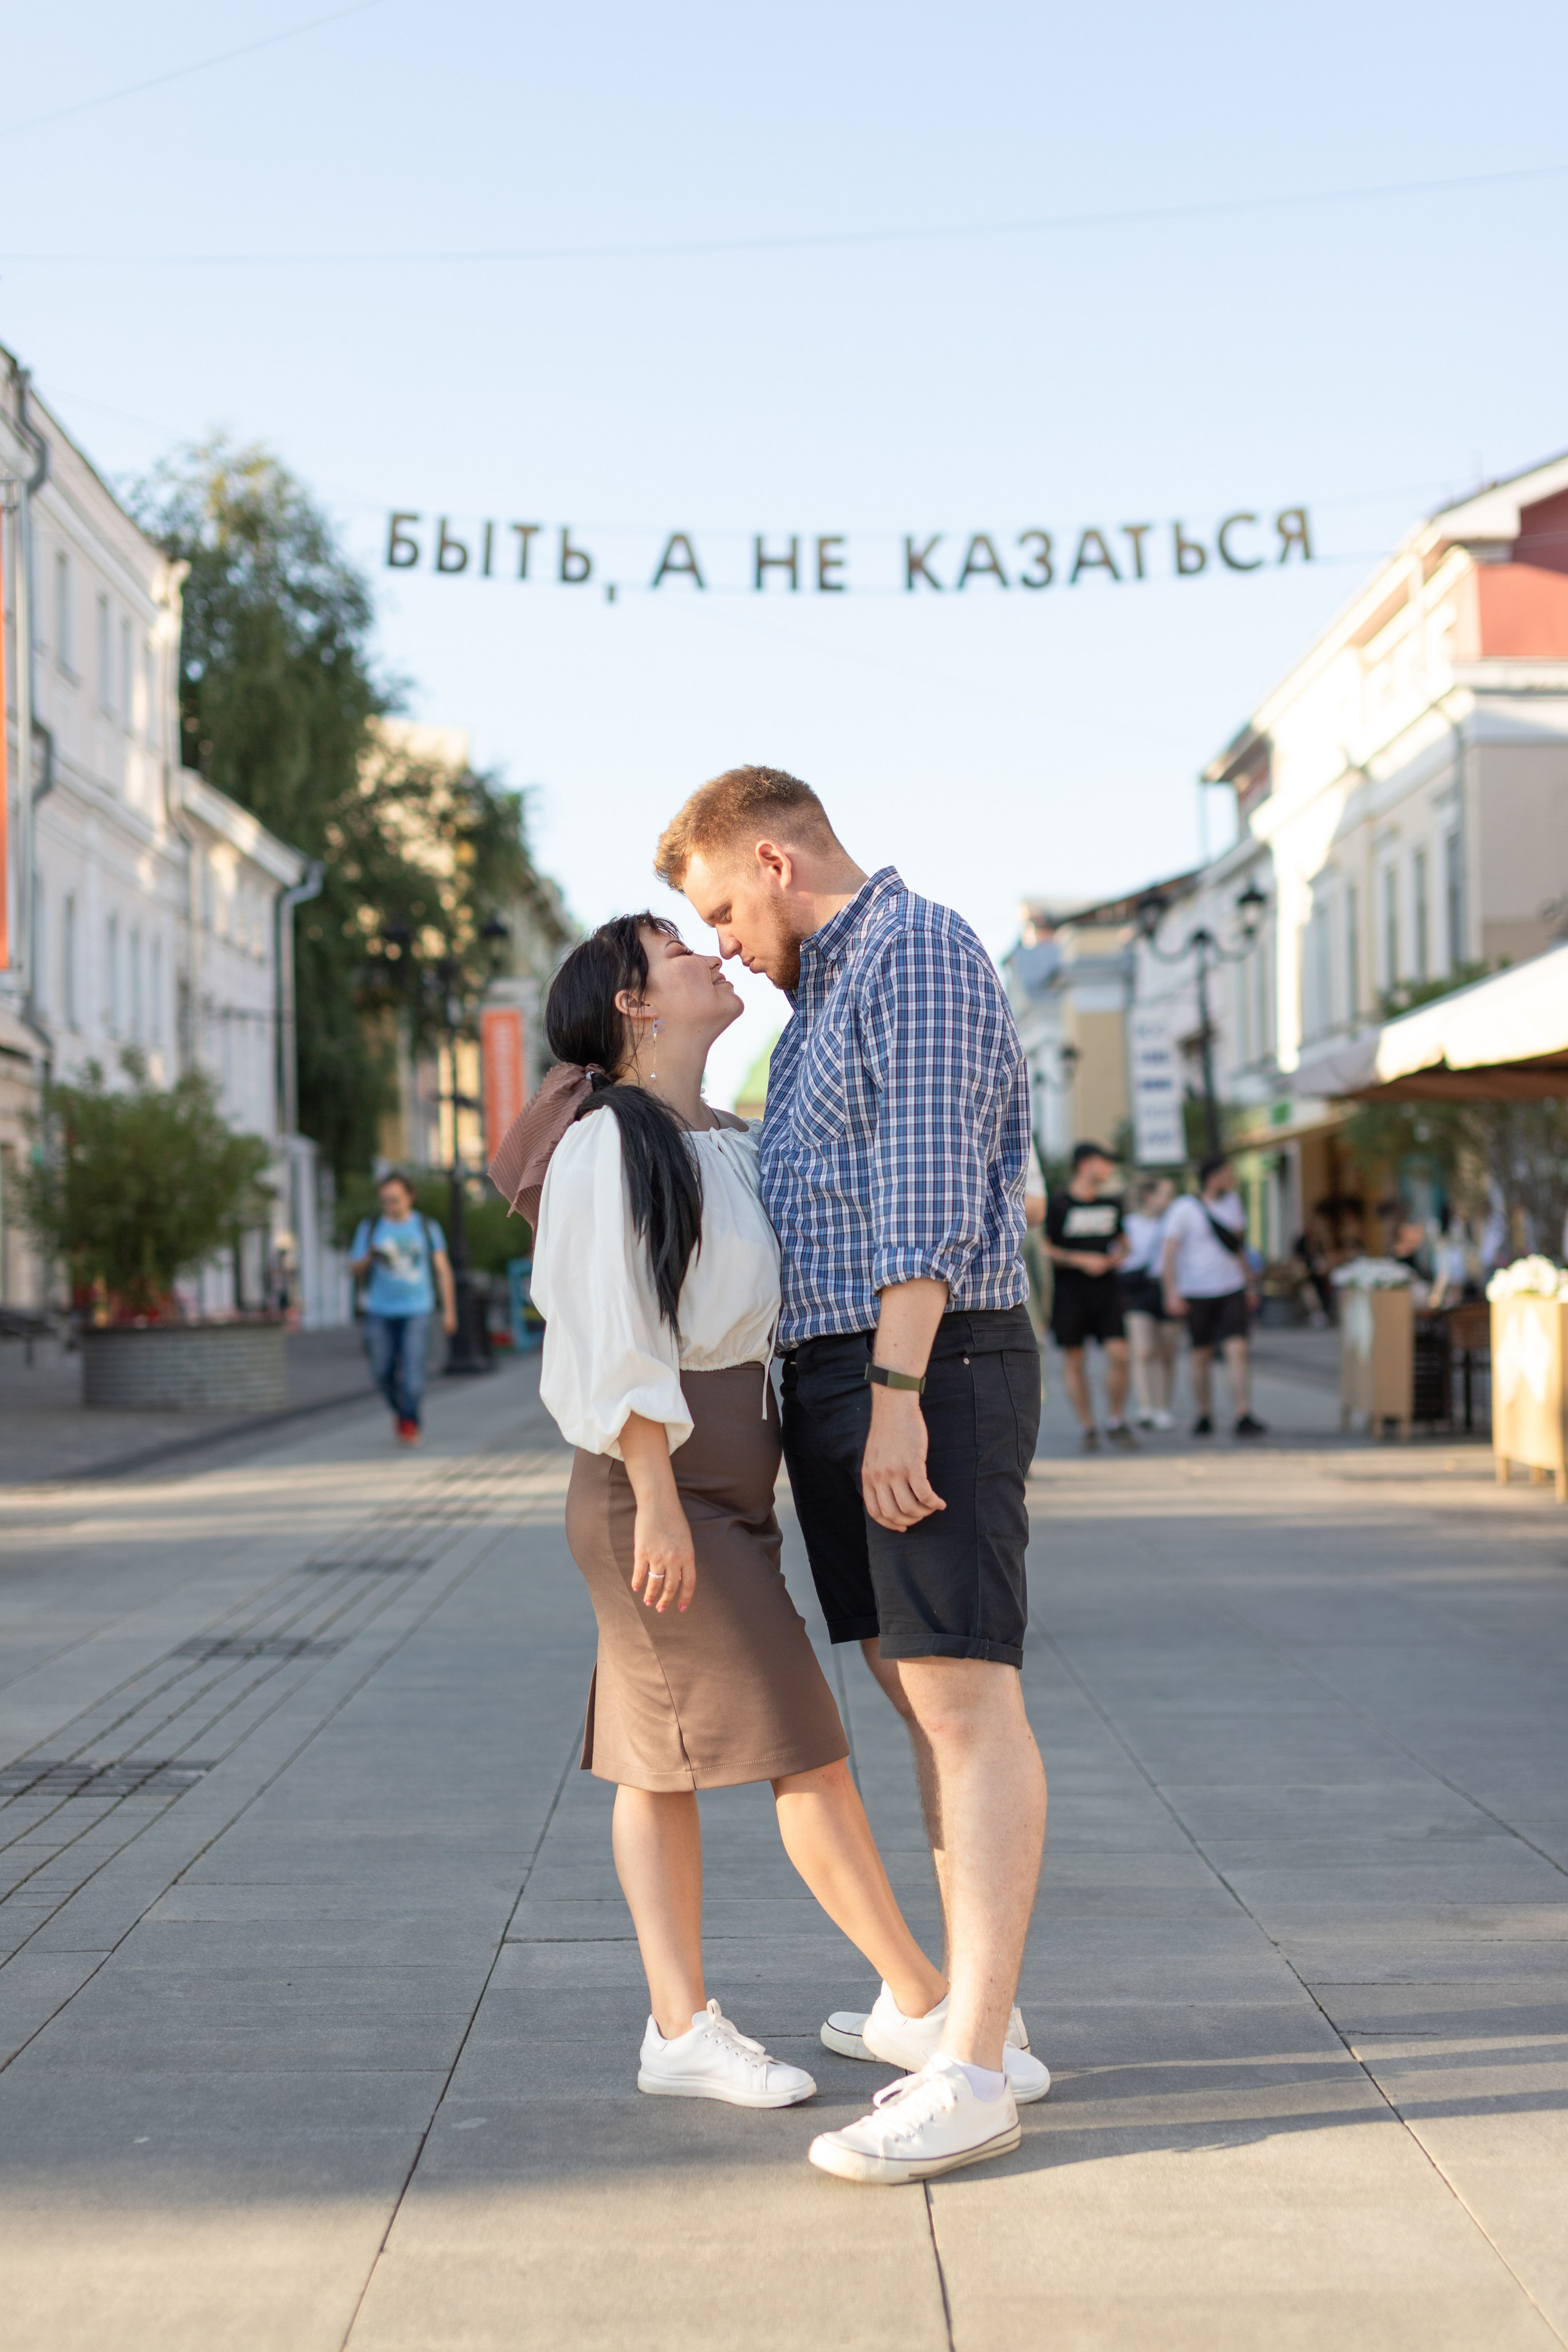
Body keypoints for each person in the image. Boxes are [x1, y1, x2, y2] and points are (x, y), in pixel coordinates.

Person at [658, 763, 1049, 2187]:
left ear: (773, 857)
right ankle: (971, 2025)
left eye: (714, 906)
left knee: (962, 1699)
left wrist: (892, 1397)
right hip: (840, 1375)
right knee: (912, 1693)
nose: (714, 942)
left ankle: (971, 2069)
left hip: (922, 1365)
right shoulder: (817, 1001)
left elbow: (933, 1181)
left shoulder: (917, 946)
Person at [497, 913, 956, 2116]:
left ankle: (677, 2028)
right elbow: (611, 1330)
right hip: (659, 1489)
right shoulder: (610, 1142)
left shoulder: (724, 1141)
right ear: (632, 1004)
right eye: (675, 951)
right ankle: (922, 2003)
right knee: (806, 1749)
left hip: (719, 1489)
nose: (710, 954)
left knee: (654, 1771)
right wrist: (654, 1498)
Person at [1161, 1154, 1267, 1438]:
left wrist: (1249, 1284)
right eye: (1227, 1173)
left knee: (1238, 1349)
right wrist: (1172, 1291)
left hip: (1231, 1287)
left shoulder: (1233, 1204)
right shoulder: (1184, 1208)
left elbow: (1239, 1246)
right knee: (1201, 1353)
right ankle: (1204, 1413)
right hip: (1196, 1291)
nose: (1231, 1179)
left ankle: (1243, 1413)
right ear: (1213, 1177)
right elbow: (1169, 1253)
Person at [349, 1172, 458, 1446]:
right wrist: (370, 1257)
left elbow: (443, 1270)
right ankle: (402, 1411)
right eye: (384, 1201)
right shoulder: (371, 1227)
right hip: (379, 1310)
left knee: (413, 1371)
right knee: (381, 1370)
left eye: (395, 1200)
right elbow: (354, 1269)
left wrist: (450, 1311)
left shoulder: (425, 1227)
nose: (390, 1206)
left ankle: (409, 1420)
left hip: (417, 1309)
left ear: (410, 1197)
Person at [1044, 1142, 1135, 1449]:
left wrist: (1116, 1258)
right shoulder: (1058, 1204)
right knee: (1075, 1358)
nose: (1109, 1169)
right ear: (1085, 1164)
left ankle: (1116, 1418)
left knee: (1120, 1355)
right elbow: (1046, 1248)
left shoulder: (1112, 1203)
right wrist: (1080, 1260)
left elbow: (1124, 1242)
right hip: (1071, 1292)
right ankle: (1088, 1426)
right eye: (1104, 1162)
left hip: (1108, 1291)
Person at [1120, 1174, 1177, 1428]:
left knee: (1167, 1352)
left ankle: (1162, 1407)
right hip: (1138, 1289)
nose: (1169, 1200)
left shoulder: (1173, 1224)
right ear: (1149, 1196)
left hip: (1166, 1288)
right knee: (1143, 1350)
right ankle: (1145, 1407)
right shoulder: (1129, 1224)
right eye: (1165, 1194)